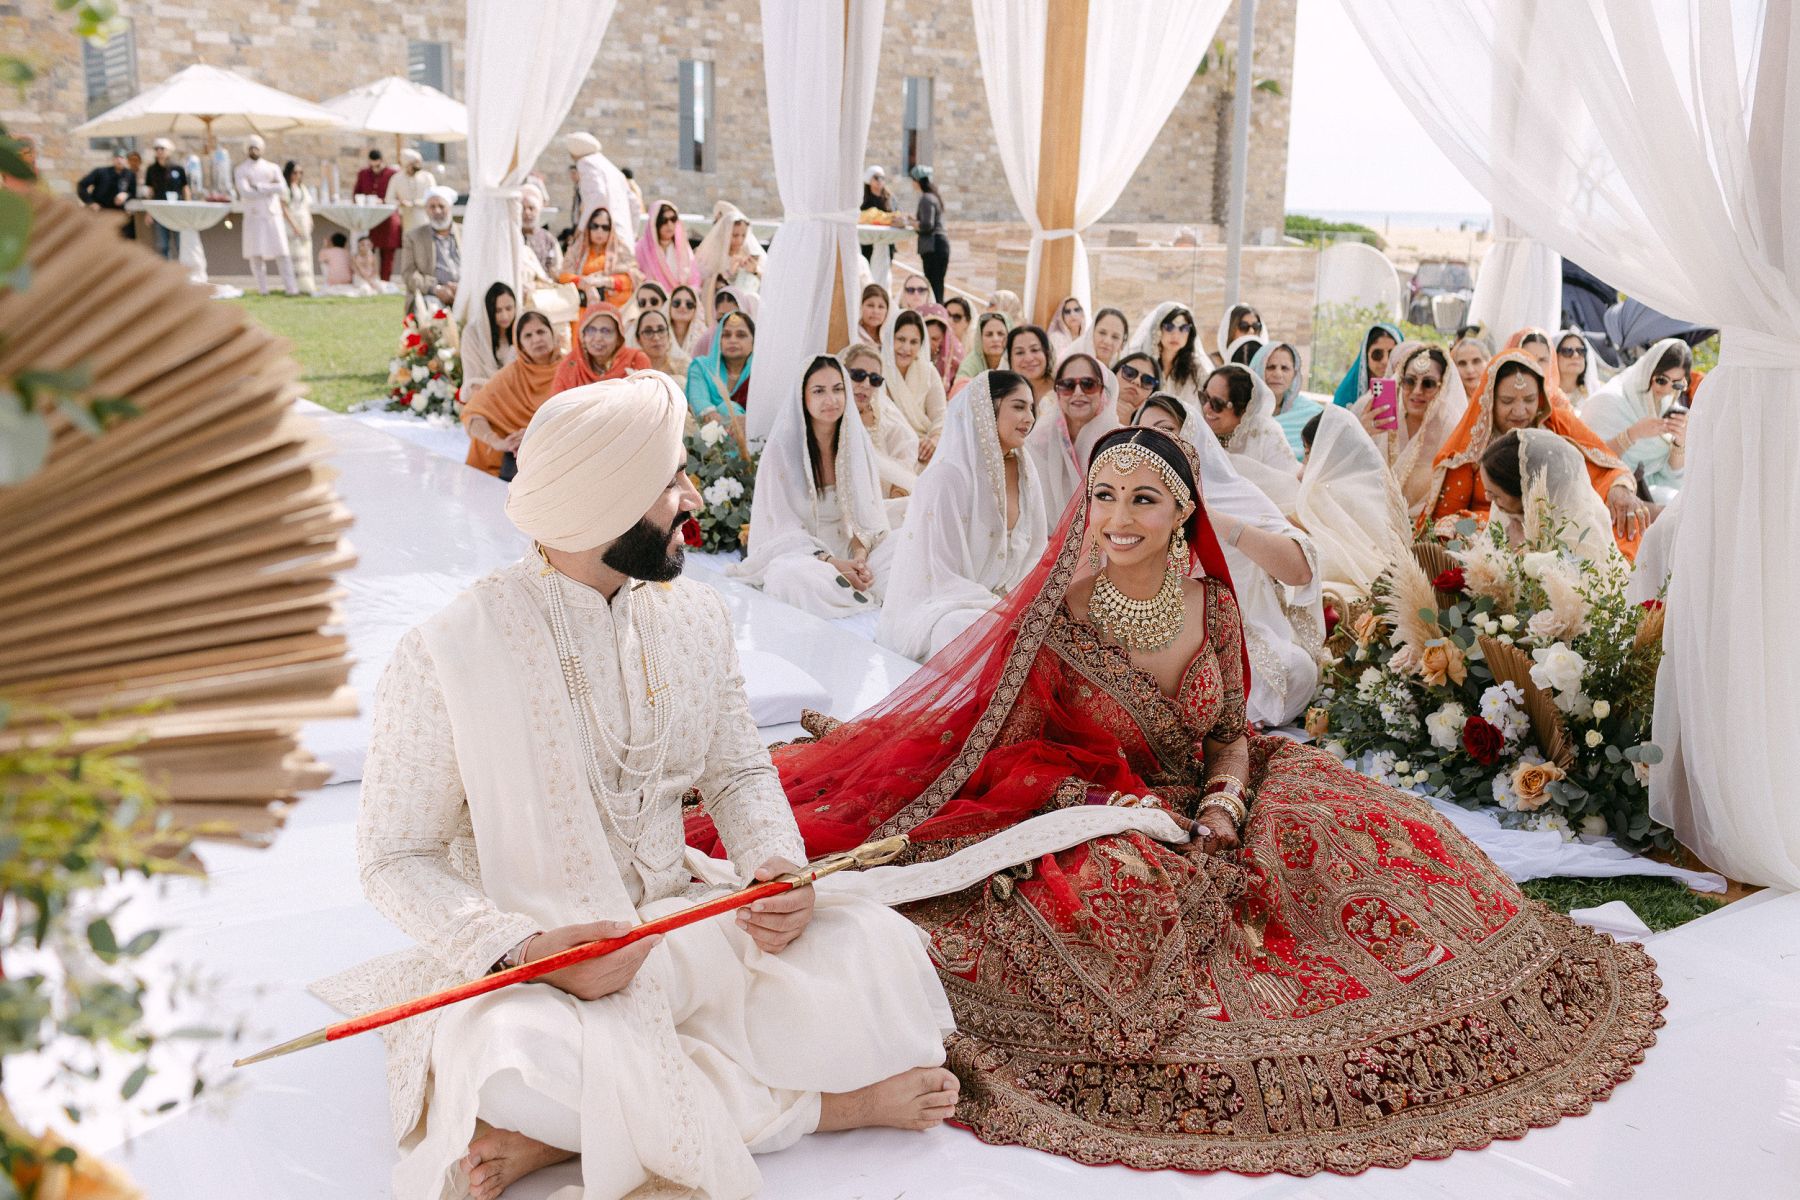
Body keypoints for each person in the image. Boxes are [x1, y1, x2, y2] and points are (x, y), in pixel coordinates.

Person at [701, 423, 1663, 1178]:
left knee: (1372, 838)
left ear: (1182, 511)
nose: (1119, 515)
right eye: (1106, 494)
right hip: (1080, 793)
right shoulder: (1061, 603)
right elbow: (994, 732)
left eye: (1145, 499)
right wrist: (1060, 647)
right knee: (1111, 908)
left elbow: (1230, 732)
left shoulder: (1211, 603)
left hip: (1207, 793)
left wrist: (1221, 805)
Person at [334, 374, 957, 1200]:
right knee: (515, 1064)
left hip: (682, 930)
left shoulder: (693, 616)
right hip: (549, 974)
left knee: (885, 961)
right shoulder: (449, 651)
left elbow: (738, 769)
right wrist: (523, 952)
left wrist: (776, 868)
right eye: (670, 482)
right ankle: (821, 1107)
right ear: (605, 502)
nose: (691, 496)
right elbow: (393, 856)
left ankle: (567, 1140)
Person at [1153, 405, 1323, 726]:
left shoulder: (1234, 494)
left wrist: (1209, 518)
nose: (1155, 443)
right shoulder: (1128, 501)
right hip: (1154, 637)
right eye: (1146, 434)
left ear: (1191, 437)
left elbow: (1299, 570)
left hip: (1236, 634)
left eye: (1165, 430)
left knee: (1296, 671)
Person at [874, 372, 1048, 660]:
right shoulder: (946, 477)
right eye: (1018, 406)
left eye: (1032, 408)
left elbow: (1035, 553)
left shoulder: (1027, 473)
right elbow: (941, 575)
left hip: (1010, 604)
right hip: (947, 606)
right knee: (967, 632)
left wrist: (1022, 606)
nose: (1029, 417)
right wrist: (1000, 609)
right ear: (985, 409)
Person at [1422, 352, 1651, 559]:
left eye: (1530, 400)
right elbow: (1445, 517)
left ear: (1541, 398)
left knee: (1625, 523)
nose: (1520, 411)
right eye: (1508, 401)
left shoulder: (1557, 426)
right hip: (1493, 533)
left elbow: (1605, 465)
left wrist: (1619, 490)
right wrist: (1505, 522)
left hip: (1563, 525)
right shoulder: (1473, 444)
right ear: (1489, 400)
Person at [730, 357, 896, 613]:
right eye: (819, 391)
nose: (831, 400)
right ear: (802, 398)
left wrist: (860, 561)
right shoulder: (782, 450)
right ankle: (849, 592)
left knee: (902, 546)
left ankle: (852, 586)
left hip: (850, 552)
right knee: (787, 576)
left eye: (838, 389)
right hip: (805, 557)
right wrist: (833, 563)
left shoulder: (856, 443)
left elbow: (868, 521)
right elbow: (782, 532)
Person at [1292, 404, 1411, 598]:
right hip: (1384, 581)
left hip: (1355, 582)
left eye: (1308, 453)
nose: (1305, 464)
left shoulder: (1324, 493)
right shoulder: (1371, 483)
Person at [1481, 428, 1628, 567]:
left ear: (1527, 493)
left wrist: (1523, 551)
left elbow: (1579, 589)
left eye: (1495, 495)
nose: (1487, 498)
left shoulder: (1578, 529)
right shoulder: (1508, 517)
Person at [1354, 342, 1467, 521]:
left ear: (1442, 386)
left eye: (1428, 384)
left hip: (1427, 536)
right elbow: (1353, 479)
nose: (1417, 391)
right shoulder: (1379, 422)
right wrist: (1359, 436)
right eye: (1409, 381)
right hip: (1370, 522)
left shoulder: (1452, 431)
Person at [1578, 336, 1690, 503]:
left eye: (1676, 385)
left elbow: (1672, 473)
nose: (1667, 389)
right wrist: (1633, 434)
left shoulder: (1668, 405)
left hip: (1651, 491)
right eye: (1661, 380)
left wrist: (1679, 443)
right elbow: (1590, 459)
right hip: (1608, 491)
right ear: (1648, 372)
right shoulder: (1608, 401)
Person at [460, 310, 559, 478]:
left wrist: (531, 435)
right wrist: (497, 442)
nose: (536, 339)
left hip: (550, 448)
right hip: (509, 455)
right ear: (519, 344)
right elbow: (472, 412)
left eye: (541, 332)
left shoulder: (569, 369)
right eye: (528, 336)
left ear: (553, 334)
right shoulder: (512, 373)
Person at [1025, 350, 1120, 517]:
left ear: (1102, 391)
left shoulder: (1121, 441)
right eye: (1068, 385)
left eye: (1088, 384)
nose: (1078, 392)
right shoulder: (1038, 442)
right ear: (1058, 393)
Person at [843, 342, 920, 501]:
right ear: (843, 374)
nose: (866, 385)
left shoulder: (884, 415)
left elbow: (905, 458)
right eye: (858, 375)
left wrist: (896, 495)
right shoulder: (830, 416)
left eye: (875, 379)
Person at [1200, 364, 1299, 479]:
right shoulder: (1197, 429)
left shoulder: (1266, 434)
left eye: (1217, 404)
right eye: (1204, 397)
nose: (1206, 408)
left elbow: (1285, 485)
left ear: (1244, 409)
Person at [880, 309, 947, 466]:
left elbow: (940, 416)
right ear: (890, 338)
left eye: (913, 342)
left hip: (925, 450)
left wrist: (934, 440)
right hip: (890, 450)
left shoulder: (928, 371)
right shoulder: (878, 370)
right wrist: (908, 444)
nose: (906, 348)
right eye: (901, 339)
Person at [234, 136, 295, 296]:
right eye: (251, 147)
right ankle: (263, 289)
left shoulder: (272, 167)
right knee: (256, 253)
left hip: (272, 214)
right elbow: (245, 192)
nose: (254, 150)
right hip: (254, 215)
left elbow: (281, 187)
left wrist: (259, 187)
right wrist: (269, 189)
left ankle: (291, 288)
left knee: (282, 252)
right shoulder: (241, 169)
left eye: (257, 147)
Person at [558, 205, 639, 313]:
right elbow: (564, 277)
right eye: (595, 226)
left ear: (611, 229)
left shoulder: (620, 251)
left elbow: (631, 280)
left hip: (613, 309)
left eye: (605, 227)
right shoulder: (577, 251)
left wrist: (605, 281)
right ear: (588, 228)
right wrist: (585, 284)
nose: (599, 231)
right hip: (581, 308)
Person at [556, 304, 651, 394]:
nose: (598, 338)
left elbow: (647, 402)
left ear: (619, 337)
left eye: (606, 331)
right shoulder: (570, 366)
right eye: (591, 330)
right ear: (582, 335)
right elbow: (557, 407)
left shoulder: (636, 360)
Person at [566, 131, 636, 250]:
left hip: (603, 237)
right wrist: (632, 233)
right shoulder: (611, 167)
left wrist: (581, 228)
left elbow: (598, 196)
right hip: (624, 236)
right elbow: (634, 204)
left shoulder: (586, 163)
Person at [1248, 340, 1319, 457]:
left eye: (1285, 368)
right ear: (1257, 370)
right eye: (1270, 367)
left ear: (1294, 374)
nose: (1278, 374)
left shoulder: (1311, 413)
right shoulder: (1242, 410)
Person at [1126, 302, 1205, 404]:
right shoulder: (1143, 365)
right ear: (1158, 329)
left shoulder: (1197, 369)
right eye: (1169, 327)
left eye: (1183, 328)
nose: (1176, 335)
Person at [687, 308, 755, 427]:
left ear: (754, 341)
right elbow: (698, 400)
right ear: (718, 339)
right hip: (709, 434)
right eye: (726, 335)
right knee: (726, 408)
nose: (733, 340)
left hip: (754, 437)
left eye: (741, 335)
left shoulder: (759, 372)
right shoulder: (701, 366)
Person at [694, 202, 765, 313]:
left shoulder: (751, 255)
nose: (740, 240)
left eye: (743, 235)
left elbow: (766, 281)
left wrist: (755, 271)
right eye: (735, 235)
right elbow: (705, 284)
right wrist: (728, 273)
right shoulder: (713, 255)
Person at [398, 186, 462, 309]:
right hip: (431, 294)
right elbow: (408, 273)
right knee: (430, 307)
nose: (437, 211)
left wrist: (463, 288)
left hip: (464, 292)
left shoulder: (466, 233)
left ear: (450, 208)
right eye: (432, 207)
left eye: (441, 206)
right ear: (426, 210)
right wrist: (436, 289)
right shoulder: (413, 237)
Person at [463, 282, 519, 399]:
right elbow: (473, 379)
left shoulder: (523, 330)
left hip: (517, 394)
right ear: (489, 311)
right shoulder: (473, 333)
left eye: (509, 309)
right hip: (483, 395)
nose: (505, 316)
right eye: (498, 311)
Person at [354, 148, 401, 279]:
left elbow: (398, 195)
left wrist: (384, 201)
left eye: (377, 166)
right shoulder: (363, 174)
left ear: (382, 161)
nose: (375, 169)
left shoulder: (393, 174)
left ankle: (385, 280)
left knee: (387, 252)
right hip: (369, 218)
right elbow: (356, 193)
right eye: (372, 166)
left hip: (388, 218)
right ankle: (369, 279)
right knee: (367, 250)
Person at [1330, 321, 1400, 407]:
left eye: (1392, 354)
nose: (1385, 361)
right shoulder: (1346, 395)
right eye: (1377, 354)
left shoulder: (1412, 392)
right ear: (1365, 356)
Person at [634, 199, 696, 294]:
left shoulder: (683, 249)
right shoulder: (640, 249)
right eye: (664, 220)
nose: (669, 224)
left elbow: (694, 277)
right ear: (655, 223)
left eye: (673, 219)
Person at [142, 138, 190, 259]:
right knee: (162, 245)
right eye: (156, 149)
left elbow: (185, 189)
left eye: (162, 148)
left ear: (169, 151)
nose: (159, 151)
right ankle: (167, 274)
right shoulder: (151, 170)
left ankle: (182, 273)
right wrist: (149, 211)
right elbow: (150, 191)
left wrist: (188, 208)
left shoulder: (178, 168)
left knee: (181, 244)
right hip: (159, 211)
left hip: (177, 210)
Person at [909, 165, 950, 303]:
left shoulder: (926, 198)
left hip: (933, 247)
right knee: (937, 285)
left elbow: (927, 225)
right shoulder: (933, 197)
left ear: (918, 181)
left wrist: (911, 223)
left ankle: (936, 316)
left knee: (933, 286)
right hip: (939, 245)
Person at [78, 147, 135, 238]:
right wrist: (90, 202)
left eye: (122, 158)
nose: (119, 160)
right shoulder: (100, 172)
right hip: (100, 212)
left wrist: (126, 196)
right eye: (117, 158)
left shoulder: (130, 174)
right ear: (113, 159)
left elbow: (134, 193)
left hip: (120, 214)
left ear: (126, 160)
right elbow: (82, 185)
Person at [281, 161, 316, 296]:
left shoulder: (302, 188)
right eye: (295, 172)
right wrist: (294, 226)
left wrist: (310, 220)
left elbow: (306, 206)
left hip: (304, 222)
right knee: (296, 256)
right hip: (292, 224)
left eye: (300, 173)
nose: (297, 175)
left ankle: (308, 284)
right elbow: (284, 208)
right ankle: (297, 286)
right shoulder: (286, 189)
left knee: (306, 254)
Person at [954, 311, 1010, 394]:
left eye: (1000, 334)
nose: (995, 339)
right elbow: (959, 392)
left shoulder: (1015, 360)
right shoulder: (970, 363)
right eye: (989, 334)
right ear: (980, 339)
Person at [385, 147, 436, 235]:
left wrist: (415, 203)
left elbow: (433, 198)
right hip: (407, 221)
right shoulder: (396, 178)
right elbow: (388, 199)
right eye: (413, 164)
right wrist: (400, 203)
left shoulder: (427, 177)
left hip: (425, 219)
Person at [632, 306, 690, 384]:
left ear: (669, 335)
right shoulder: (631, 369)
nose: (656, 337)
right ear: (638, 340)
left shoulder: (684, 367)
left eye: (661, 330)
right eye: (648, 331)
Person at [1004, 324, 1056, 411]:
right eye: (1019, 352)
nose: (1028, 358)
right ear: (1010, 359)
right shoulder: (1005, 395)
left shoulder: (1063, 389)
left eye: (1035, 350)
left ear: (1047, 354)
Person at [520, 183, 563, 281]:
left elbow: (557, 269)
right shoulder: (512, 237)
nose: (527, 213)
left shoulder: (548, 239)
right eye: (523, 208)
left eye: (531, 208)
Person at [1555, 328, 1606, 406]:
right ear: (1554, 356)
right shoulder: (1544, 395)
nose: (1575, 356)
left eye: (1581, 351)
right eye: (1567, 351)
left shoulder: (1598, 391)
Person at [1111, 352, 1160, 424]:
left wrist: (1125, 427)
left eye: (1147, 381)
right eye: (1129, 372)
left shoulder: (1153, 427)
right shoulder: (1091, 399)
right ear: (1115, 372)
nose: (1137, 381)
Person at [921, 304, 962, 389]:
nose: (928, 343)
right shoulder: (906, 355)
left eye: (935, 339)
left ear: (944, 339)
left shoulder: (954, 359)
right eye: (924, 337)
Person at [860, 164, 895, 263]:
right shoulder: (864, 201)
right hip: (869, 243)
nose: (880, 181)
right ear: (869, 180)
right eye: (876, 178)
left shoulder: (889, 199)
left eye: (882, 178)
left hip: (887, 242)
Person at [1450, 331, 1493, 402]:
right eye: (1462, 363)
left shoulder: (1499, 398)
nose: (1470, 370)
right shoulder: (1450, 403)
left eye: (1476, 361)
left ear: (1488, 363)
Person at [668, 283, 708, 357]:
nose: (682, 306)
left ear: (696, 309)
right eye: (677, 303)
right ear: (669, 307)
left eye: (689, 304)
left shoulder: (706, 338)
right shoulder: (658, 334)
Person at [857, 283, 890, 348]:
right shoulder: (853, 335)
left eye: (881, 307)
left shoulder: (890, 338)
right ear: (861, 307)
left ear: (887, 311)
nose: (875, 311)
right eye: (870, 305)